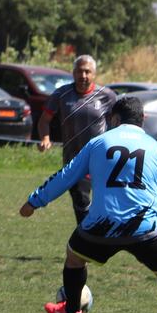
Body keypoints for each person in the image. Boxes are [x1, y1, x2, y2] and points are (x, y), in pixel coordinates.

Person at [20, 95, 157, 313]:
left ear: (114, 118)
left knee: (74, 257)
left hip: (101, 226)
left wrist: (35, 201)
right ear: (143, 119)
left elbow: (67, 175)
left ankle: (72, 311)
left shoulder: (99, 143)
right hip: (146, 227)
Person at [36, 55, 118, 223]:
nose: (83, 76)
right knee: (81, 202)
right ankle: (86, 234)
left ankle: (100, 232)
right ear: (73, 73)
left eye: (87, 72)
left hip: (102, 159)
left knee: (106, 204)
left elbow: (120, 119)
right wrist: (45, 138)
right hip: (74, 160)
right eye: (79, 71)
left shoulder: (107, 96)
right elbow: (44, 120)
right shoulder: (61, 94)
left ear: (94, 74)